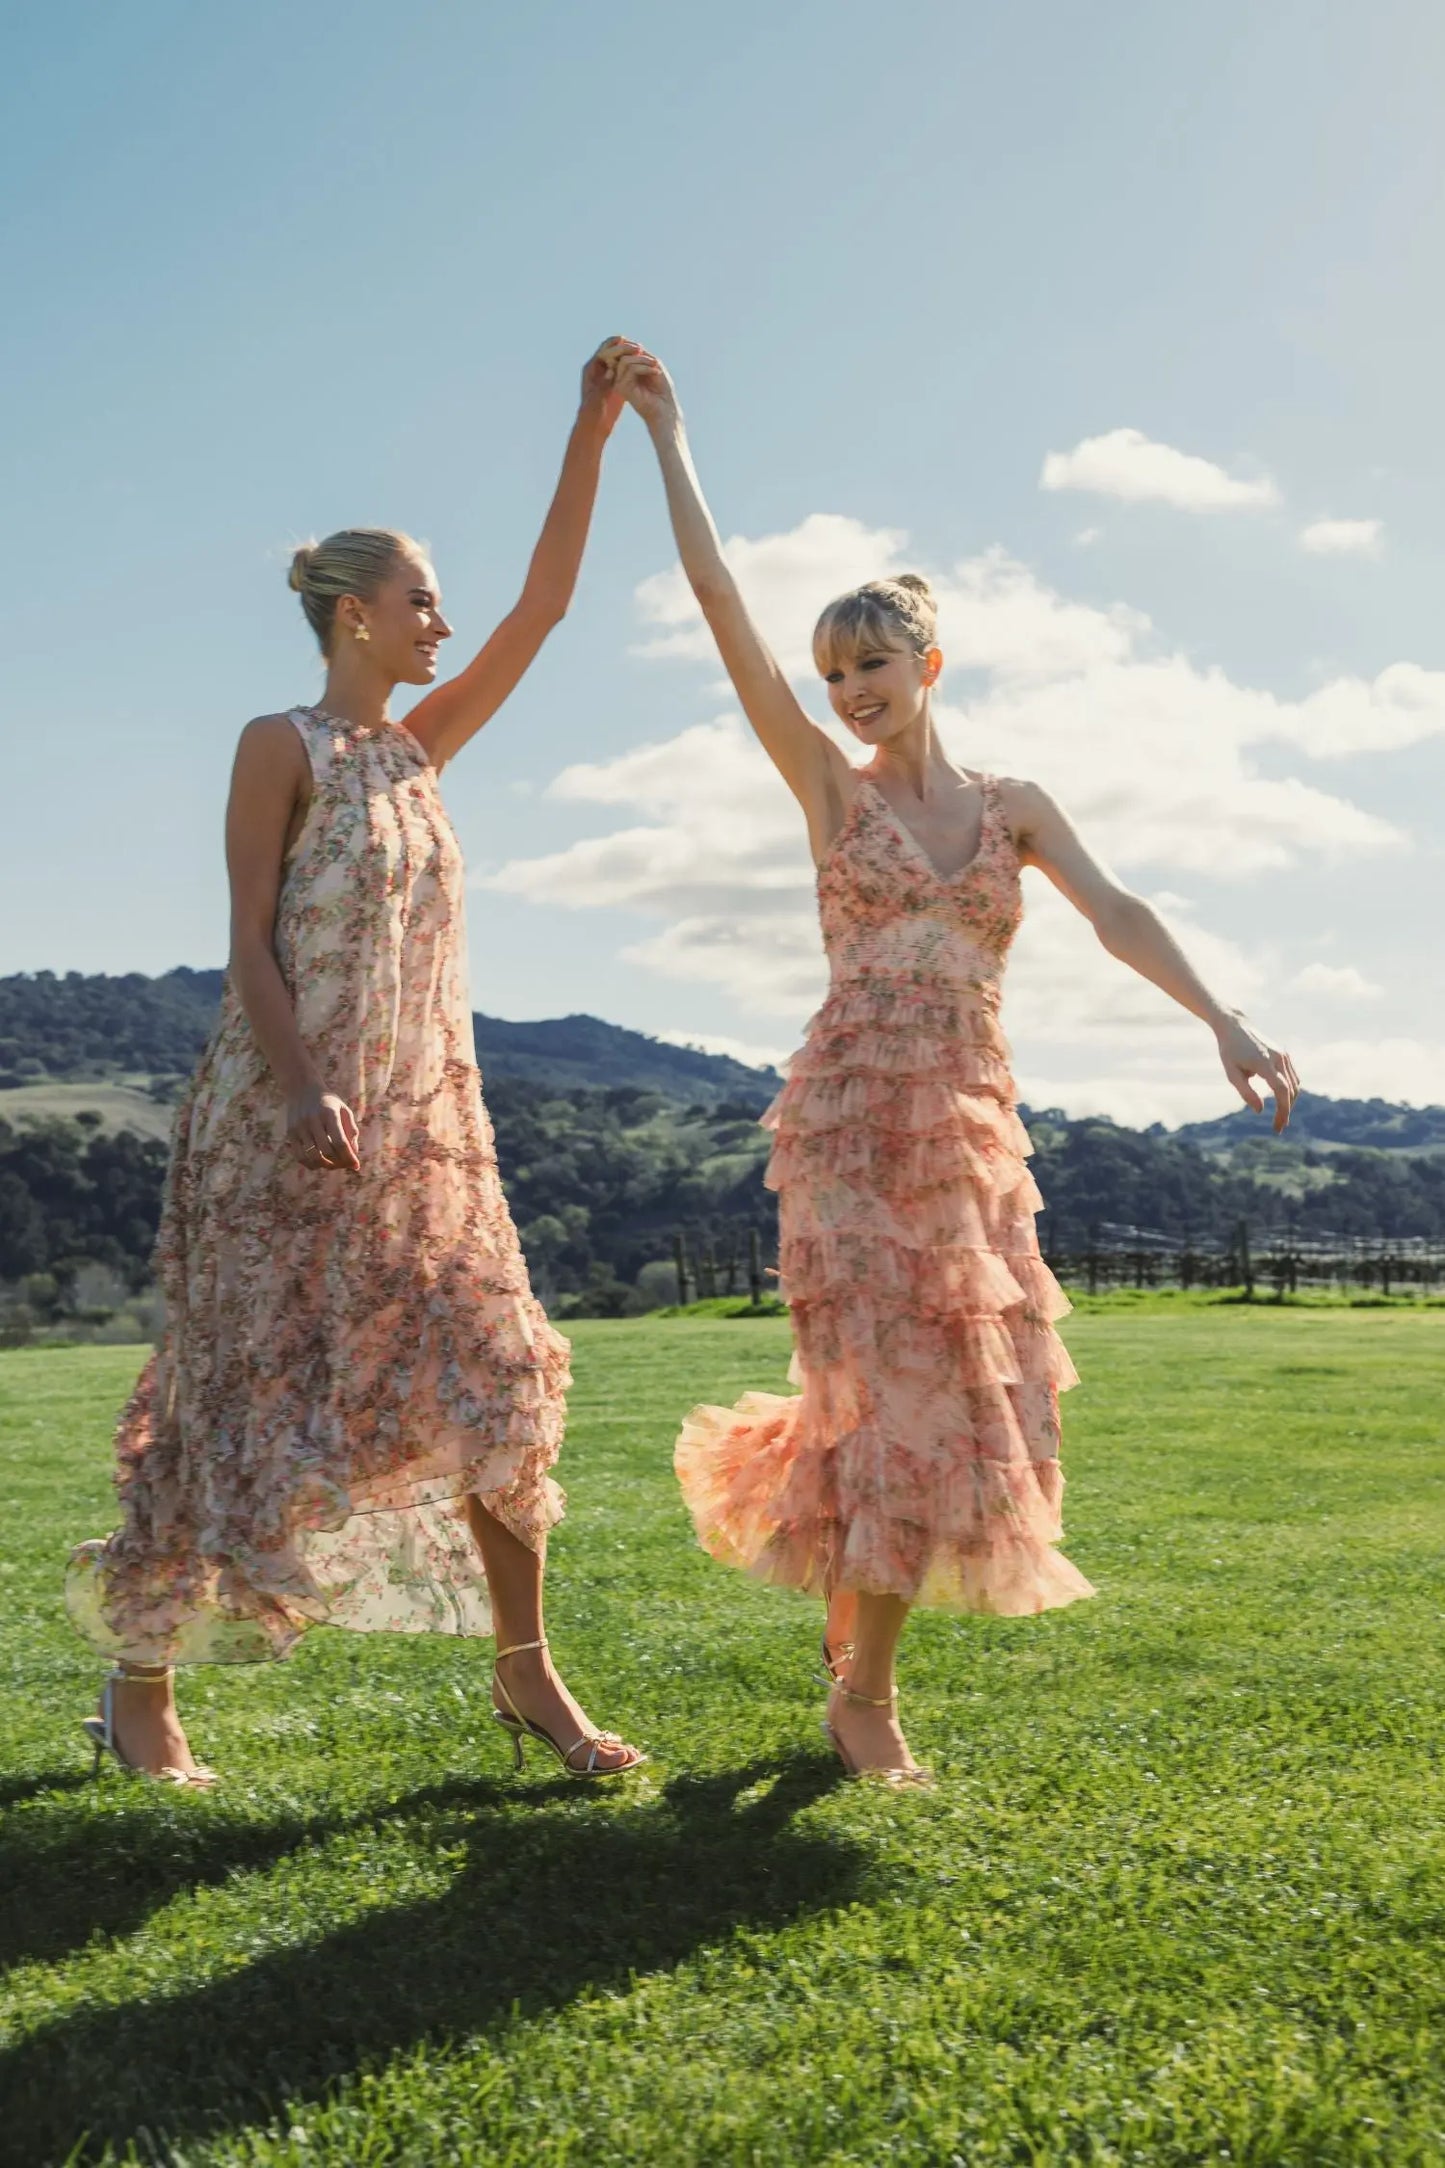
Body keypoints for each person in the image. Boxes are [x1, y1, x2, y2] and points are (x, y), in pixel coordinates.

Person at [613, 346, 1298, 1786]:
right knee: (879, 1395)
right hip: (854, 1127)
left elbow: (1115, 913)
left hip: (970, 1133)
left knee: (957, 1397)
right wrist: (668, 439)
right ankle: (863, 1697)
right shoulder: (821, 789)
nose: (850, 690)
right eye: (833, 673)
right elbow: (721, 608)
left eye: (871, 664)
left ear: (927, 664)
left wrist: (1219, 1018)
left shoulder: (1014, 806)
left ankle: (853, 1629)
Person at [66, 341, 647, 1785]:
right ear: (350, 613)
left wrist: (591, 428)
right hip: (277, 1124)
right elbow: (248, 949)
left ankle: (531, 1685)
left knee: (501, 1380)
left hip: (423, 1133)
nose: (439, 622)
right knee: (232, 1400)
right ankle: (140, 1693)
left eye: (439, 599)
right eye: (418, 600)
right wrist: (305, 1081)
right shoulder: (284, 747)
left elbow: (550, 604)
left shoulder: (421, 752)